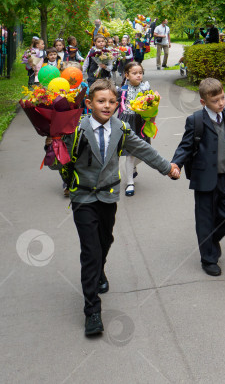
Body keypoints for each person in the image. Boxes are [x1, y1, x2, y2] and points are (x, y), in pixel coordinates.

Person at [46, 79, 180, 336]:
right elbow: (56, 163)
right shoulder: (75, 128)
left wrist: (168, 168)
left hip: (108, 196)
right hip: (83, 197)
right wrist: (52, 143)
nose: (106, 106)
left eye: (111, 101)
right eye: (100, 101)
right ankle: (92, 311)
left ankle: (100, 269)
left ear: (117, 104)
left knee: (105, 240)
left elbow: (143, 150)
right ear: (89, 104)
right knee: (90, 250)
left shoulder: (121, 128)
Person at [171, 78, 225, 276]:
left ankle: (210, 239)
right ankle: (208, 258)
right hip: (204, 178)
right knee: (205, 219)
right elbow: (185, 146)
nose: (221, 103)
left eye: (222, 98)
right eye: (215, 101)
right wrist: (176, 164)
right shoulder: (195, 120)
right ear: (203, 102)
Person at [117, 61, 151, 196]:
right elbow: (115, 107)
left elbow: (151, 106)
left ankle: (133, 167)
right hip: (127, 123)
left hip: (141, 123)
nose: (138, 76)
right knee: (130, 154)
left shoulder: (146, 89)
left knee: (144, 152)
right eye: (134, 73)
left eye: (140, 73)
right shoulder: (122, 90)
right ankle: (130, 182)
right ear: (126, 75)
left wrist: (151, 117)